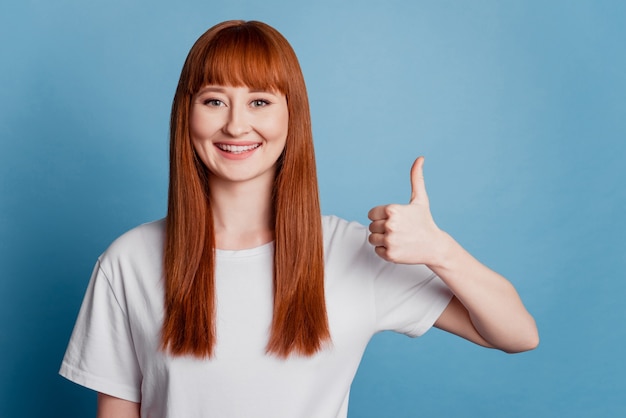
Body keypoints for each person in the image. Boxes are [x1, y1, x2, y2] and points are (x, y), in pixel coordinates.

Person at [59, 20, 538, 418]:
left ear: (293, 117)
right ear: (187, 114)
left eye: (260, 101)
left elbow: (517, 334)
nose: (236, 124)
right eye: (214, 100)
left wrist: (441, 252)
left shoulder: (353, 253)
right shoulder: (129, 260)